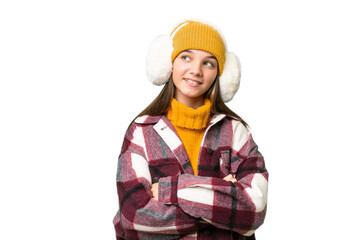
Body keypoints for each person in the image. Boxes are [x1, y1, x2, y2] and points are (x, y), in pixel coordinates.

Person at [113, 20, 268, 240]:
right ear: (169, 63)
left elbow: (254, 211)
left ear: (220, 74)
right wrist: (224, 198)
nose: (196, 70)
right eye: (186, 57)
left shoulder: (236, 132)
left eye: (208, 63)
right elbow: (135, 215)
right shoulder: (141, 131)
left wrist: (171, 190)